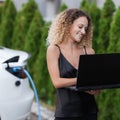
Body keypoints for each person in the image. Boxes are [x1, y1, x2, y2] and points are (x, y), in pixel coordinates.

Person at [46, 8, 101, 120]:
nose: (83, 32)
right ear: (67, 25)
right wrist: (81, 80)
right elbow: (57, 82)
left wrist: (96, 88)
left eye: (85, 29)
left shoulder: (89, 51)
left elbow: (94, 86)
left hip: (89, 112)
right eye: (80, 27)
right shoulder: (54, 50)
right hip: (66, 114)